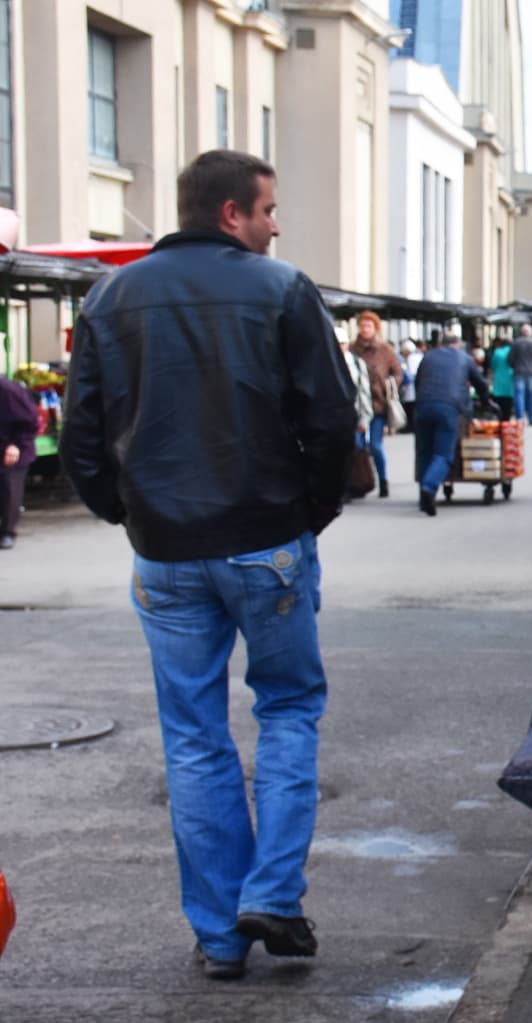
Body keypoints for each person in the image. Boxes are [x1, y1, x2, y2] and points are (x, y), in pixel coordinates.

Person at [59, 149, 356, 979]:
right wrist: (309, 515)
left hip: (165, 551)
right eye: (268, 209)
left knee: (193, 738)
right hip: (267, 541)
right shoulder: (281, 288)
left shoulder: (110, 296)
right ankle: (272, 894)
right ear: (232, 213)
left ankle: (221, 934)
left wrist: (130, 514)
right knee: (289, 710)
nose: (276, 223)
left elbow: (85, 437)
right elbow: (332, 421)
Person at [412, 333, 491, 516]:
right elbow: (480, 384)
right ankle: (429, 488)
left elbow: (418, 381)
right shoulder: (465, 358)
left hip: (423, 406)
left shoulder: (429, 356)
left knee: (424, 452)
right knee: (443, 453)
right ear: (458, 345)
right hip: (449, 407)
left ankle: (423, 497)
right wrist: (485, 401)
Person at [348, 311, 404, 498]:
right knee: (357, 445)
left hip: (378, 404)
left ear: (375, 328)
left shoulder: (385, 350)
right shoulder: (352, 350)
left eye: (368, 326)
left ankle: (383, 480)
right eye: (362, 326)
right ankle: (362, 480)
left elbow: (398, 373)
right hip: (357, 404)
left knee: (376, 446)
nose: (364, 329)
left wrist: (390, 385)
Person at [0, 375, 37, 550]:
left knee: (9, 488)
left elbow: (29, 420)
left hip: (14, 446)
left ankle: (8, 532)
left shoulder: (7, 389)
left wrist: (17, 445)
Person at [341, 332, 373, 497]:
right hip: (335, 416)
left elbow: (364, 392)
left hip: (354, 414)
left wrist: (365, 417)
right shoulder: (325, 362)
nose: (340, 347)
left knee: (356, 449)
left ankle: (357, 483)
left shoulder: (356, 363)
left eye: (343, 343)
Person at [508, 324, 532, 426]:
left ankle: (520, 418)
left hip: (519, 372)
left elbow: (510, 359)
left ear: (521, 332)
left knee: (519, 396)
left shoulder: (516, 343)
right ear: (530, 333)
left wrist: (515, 366)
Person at [398, 338, 421, 428]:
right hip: (413, 386)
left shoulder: (411, 358)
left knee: (409, 407)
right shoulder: (419, 356)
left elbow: (408, 373)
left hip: (409, 386)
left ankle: (410, 425)